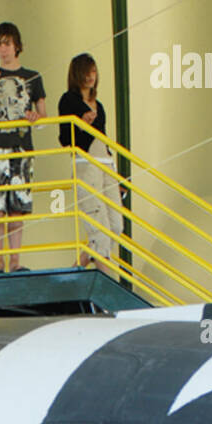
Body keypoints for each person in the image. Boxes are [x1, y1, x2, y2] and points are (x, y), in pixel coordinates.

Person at [0, 22, 46, 273]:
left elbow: (43, 116)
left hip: (22, 146)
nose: (2, 49)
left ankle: (15, 260)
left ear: (16, 45)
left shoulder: (33, 77)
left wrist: (36, 118)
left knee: (17, 207)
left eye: (7, 43)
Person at [58, 53, 123, 274]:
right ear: (77, 75)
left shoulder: (99, 105)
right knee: (99, 229)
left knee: (116, 225)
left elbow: (104, 138)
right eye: (86, 72)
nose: (91, 77)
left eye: (94, 71)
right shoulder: (68, 100)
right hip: (86, 163)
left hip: (106, 163)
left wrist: (117, 175)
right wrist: (80, 125)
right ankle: (105, 282)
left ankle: (75, 271)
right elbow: (65, 139)